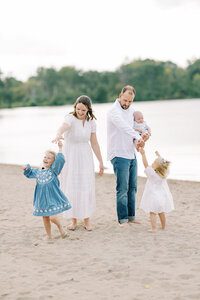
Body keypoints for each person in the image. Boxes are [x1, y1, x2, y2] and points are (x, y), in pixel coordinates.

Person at [52, 95, 104, 231]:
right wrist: (58, 134)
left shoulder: (91, 122)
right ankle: (74, 221)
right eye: (78, 109)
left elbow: (94, 143)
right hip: (71, 156)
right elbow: (63, 127)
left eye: (83, 110)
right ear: (75, 107)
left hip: (85, 156)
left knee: (86, 186)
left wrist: (101, 161)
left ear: (88, 110)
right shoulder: (70, 118)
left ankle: (87, 221)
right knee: (72, 186)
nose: (80, 112)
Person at [107, 85, 145, 227]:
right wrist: (137, 135)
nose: (127, 104)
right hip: (118, 153)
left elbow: (135, 129)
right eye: (125, 100)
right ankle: (122, 219)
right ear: (120, 95)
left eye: (130, 101)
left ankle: (131, 216)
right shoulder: (113, 111)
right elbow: (124, 127)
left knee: (133, 187)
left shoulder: (132, 111)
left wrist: (141, 138)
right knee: (122, 188)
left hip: (131, 153)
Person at [23, 141, 71, 239]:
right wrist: (26, 168)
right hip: (42, 199)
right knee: (45, 218)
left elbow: (60, 160)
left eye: (49, 158)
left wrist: (60, 148)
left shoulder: (54, 171)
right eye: (45, 157)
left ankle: (61, 229)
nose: (46, 159)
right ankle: (49, 235)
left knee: (52, 217)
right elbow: (29, 173)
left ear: (53, 162)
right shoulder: (38, 171)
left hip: (52, 197)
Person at [139, 148, 174, 232]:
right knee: (161, 212)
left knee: (152, 213)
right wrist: (159, 156)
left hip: (154, 198)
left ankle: (154, 228)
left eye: (154, 163)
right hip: (162, 197)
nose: (152, 163)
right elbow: (164, 165)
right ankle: (163, 227)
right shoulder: (164, 174)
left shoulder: (152, 175)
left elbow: (145, 165)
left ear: (157, 167)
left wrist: (143, 154)